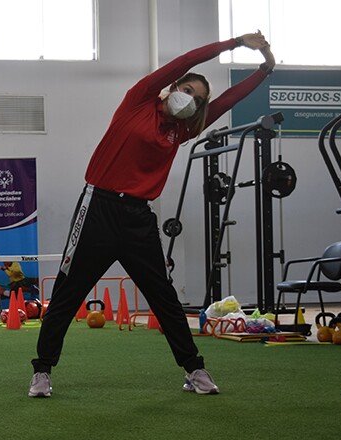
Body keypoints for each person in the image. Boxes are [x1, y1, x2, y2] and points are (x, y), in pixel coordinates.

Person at [28, 33, 276, 398]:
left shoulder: (184, 129)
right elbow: (185, 59)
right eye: (188, 90)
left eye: (198, 99)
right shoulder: (138, 101)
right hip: (97, 207)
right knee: (69, 291)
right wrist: (235, 43)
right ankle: (42, 372)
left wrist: (264, 70)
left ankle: (195, 369)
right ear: (173, 87)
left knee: (163, 296)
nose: (191, 99)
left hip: (138, 218)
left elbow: (228, 101)